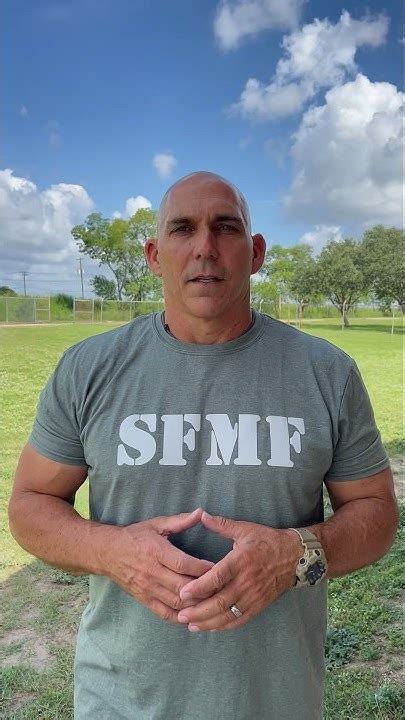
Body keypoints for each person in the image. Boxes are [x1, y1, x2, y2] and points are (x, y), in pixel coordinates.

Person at [9, 171, 399, 720]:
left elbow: (377, 512)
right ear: (154, 255)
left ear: (255, 252)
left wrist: (294, 556)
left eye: (226, 227)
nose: (205, 248)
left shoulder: (326, 373)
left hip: (277, 702)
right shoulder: (89, 369)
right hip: (121, 702)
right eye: (182, 229)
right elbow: (30, 503)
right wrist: (112, 552)